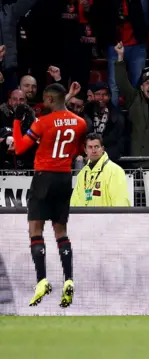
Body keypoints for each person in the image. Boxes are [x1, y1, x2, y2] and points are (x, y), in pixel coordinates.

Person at [11, 83, 88, 308]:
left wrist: (17, 121)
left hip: (44, 177)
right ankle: (68, 279)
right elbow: (79, 150)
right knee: (61, 230)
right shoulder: (80, 122)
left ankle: (42, 280)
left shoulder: (42, 123)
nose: (43, 103)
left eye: (45, 100)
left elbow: (19, 148)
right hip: (65, 178)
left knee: (35, 229)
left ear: (50, 99)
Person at [70, 133, 131, 207]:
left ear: (102, 149)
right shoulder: (82, 174)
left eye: (96, 147)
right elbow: (73, 203)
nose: (93, 150)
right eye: (90, 147)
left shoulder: (115, 171)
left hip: (106, 218)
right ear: (85, 150)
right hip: (85, 218)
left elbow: (121, 204)